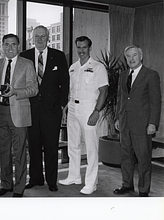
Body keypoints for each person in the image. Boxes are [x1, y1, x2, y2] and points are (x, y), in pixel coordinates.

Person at [20, 25, 69, 192]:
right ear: (32, 38)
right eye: (37, 36)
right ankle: (35, 179)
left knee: (51, 147)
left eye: (43, 36)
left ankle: (52, 180)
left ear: (48, 37)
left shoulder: (59, 56)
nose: (40, 39)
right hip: (31, 109)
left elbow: (65, 83)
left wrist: (62, 105)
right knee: (33, 146)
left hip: (52, 111)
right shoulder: (24, 56)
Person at [58, 36, 108, 195]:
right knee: (73, 144)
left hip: (89, 107)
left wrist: (96, 111)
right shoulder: (73, 67)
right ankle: (74, 176)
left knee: (91, 147)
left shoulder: (98, 67)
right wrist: (67, 107)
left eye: (84, 47)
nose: (81, 50)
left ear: (89, 48)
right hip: (73, 106)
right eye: (78, 47)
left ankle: (91, 183)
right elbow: (71, 90)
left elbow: (104, 91)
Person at [0, 34, 38, 197]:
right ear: (2, 46)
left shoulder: (27, 64)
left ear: (18, 46)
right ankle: (6, 185)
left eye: (13, 44)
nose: (10, 48)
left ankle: (19, 188)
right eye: (6, 44)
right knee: (4, 151)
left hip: (19, 112)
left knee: (19, 153)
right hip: (1, 112)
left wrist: (15, 91)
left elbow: (34, 89)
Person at [113, 45, 161, 197]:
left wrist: (153, 123)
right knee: (125, 156)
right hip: (124, 122)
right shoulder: (123, 75)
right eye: (128, 56)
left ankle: (144, 190)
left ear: (141, 56)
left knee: (143, 158)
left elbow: (155, 101)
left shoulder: (151, 75)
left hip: (142, 124)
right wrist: (117, 118)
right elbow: (120, 98)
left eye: (134, 55)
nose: (131, 59)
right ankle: (127, 185)